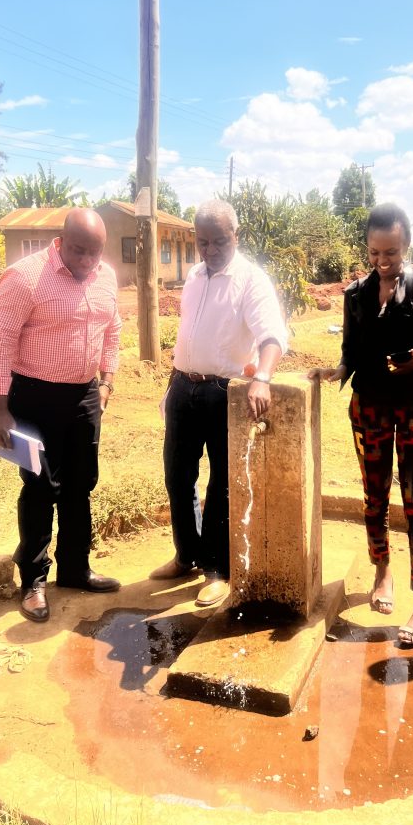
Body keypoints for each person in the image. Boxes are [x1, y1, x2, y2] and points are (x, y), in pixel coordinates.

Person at [309, 202, 413, 646]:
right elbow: (351, 350)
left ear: (406, 244)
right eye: (375, 252)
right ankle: (382, 571)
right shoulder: (355, 293)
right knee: (374, 496)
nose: (382, 261)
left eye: (390, 252)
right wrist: (337, 370)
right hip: (369, 406)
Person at [0, 208, 121, 623]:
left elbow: (113, 328)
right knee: (40, 486)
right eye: (79, 251)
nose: (86, 261)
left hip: (84, 396)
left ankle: (75, 569)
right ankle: (34, 582)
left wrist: (106, 381)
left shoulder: (106, 276)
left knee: (81, 485)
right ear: (61, 240)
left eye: (94, 253)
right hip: (33, 397)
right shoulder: (25, 278)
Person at [150, 199, 287, 607]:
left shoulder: (250, 279)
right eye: (202, 241)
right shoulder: (193, 276)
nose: (209, 250)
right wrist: (174, 383)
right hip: (182, 387)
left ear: (236, 237)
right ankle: (186, 555)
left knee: (222, 484)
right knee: (177, 476)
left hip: (222, 392)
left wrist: (262, 378)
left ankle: (217, 570)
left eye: (219, 242)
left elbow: (272, 336)